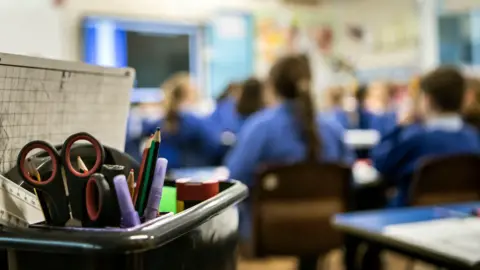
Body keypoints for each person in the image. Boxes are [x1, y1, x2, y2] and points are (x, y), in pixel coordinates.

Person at [225, 55, 354, 270]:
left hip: (270, 232)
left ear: (273, 86)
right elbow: (350, 179)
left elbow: (235, 177)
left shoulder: (260, 128)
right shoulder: (333, 129)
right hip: (327, 228)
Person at [371, 66, 480, 208]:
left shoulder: (417, 139)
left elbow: (381, 163)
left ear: (427, 100)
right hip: (463, 214)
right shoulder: (474, 138)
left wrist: (400, 126)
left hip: (409, 218)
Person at [126, 72, 221, 169]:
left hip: (163, 171)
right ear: (190, 95)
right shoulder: (192, 120)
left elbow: (133, 141)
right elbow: (214, 144)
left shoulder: (161, 120)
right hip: (189, 172)